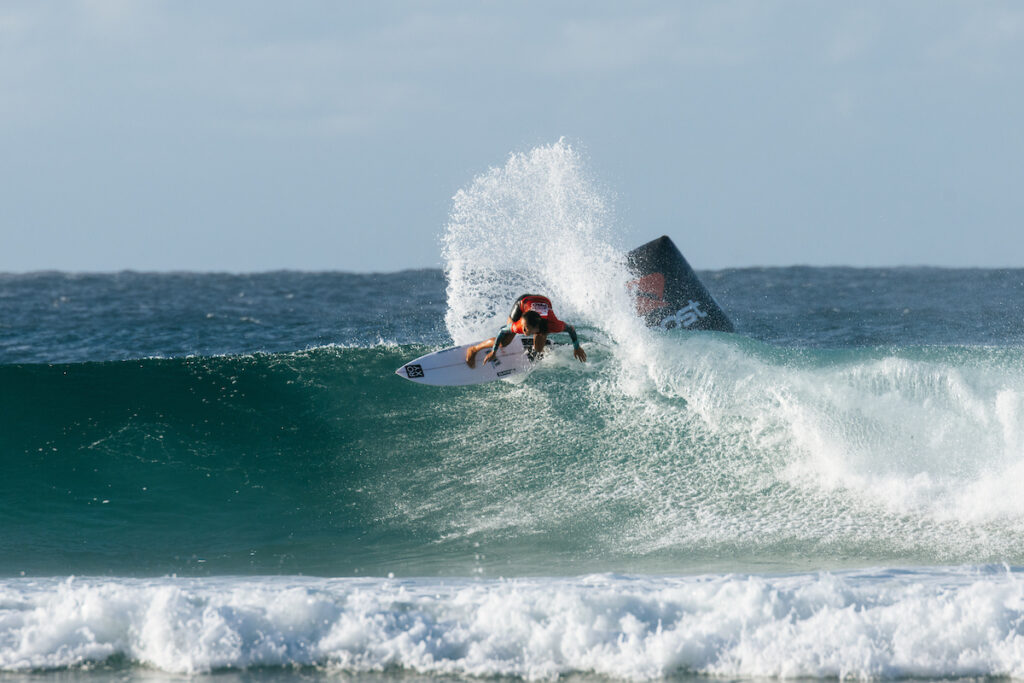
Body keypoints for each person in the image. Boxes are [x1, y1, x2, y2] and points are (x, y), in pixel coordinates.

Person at [465, 294, 587, 368]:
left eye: (526, 330)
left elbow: (571, 329)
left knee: (539, 349)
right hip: (522, 303)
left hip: (543, 303)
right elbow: (502, 331)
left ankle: (540, 346)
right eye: (523, 329)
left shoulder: (553, 325)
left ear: (536, 329)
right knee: (505, 341)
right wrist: (494, 351)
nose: (522, 331)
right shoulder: (520, 325)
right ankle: (474, 349)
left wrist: (577, 347)